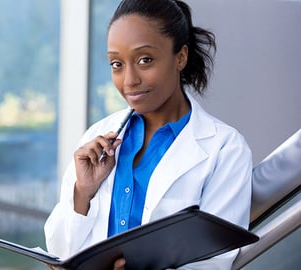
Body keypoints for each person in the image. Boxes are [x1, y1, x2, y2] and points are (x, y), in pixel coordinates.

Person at [44, 0, 253, 269]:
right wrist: (83, 192)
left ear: (180, 56)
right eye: (116, 64)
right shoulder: (96, 137)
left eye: (145, 60)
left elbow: (214, 262)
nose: (129, 80)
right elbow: (60, 251)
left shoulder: (225, 149)